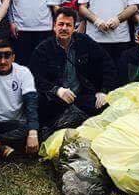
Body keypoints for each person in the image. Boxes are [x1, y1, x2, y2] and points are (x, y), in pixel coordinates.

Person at [29, 8, 116, 137]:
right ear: (54, 26)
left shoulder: (84, 41)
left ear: (74, 27)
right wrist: (56, 90)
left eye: (68, 25)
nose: (64, 28)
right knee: (42, 108)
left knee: (106, 106)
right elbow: (34, 77)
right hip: (55, 100)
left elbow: (107, 64)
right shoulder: (43, 49)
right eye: (61, 24)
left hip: (82, 96)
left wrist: (103, 91)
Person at [0, 38, 39, 158]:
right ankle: (0, 146)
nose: (3, 61)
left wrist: (33, 133)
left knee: (32, 130)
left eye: (7, 56)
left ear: (13, 57)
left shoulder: (23, 72)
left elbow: (31, 103)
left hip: (15, 124)